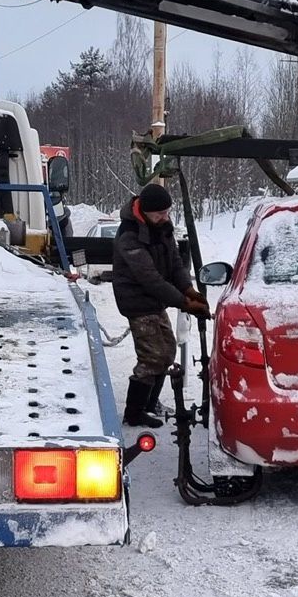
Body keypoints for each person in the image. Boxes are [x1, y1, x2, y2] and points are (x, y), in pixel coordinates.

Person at [111, 181, 204, 427]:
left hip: (156, 301)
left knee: (167, 352)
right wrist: (184, 303)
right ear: (145, 211)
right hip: (137, 301)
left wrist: (188, 289)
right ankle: (134, 413)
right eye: (159, 214)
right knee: (153, 357)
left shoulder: (162, 227)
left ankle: (150, 404)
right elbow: (150, 279)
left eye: (167, 212)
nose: (165, 217)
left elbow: (174, 262)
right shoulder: (130, 235)